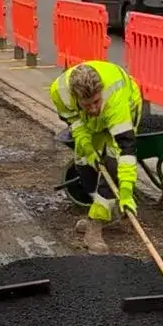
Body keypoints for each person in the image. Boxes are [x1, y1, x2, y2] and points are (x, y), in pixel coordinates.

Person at [50, 60, 141, 224]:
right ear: (75, 97)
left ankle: (101, 216)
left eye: (96, 102)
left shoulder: (115, 99)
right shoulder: (60, 93)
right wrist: (86, 145)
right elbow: (74, 120)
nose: (93, 108)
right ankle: (100, 200)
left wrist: (126, 189)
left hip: (126, 106)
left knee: (114, 161)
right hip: (88, 120)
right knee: (83, 160)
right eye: (87, 104)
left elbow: (125, 149)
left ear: (101, 92)